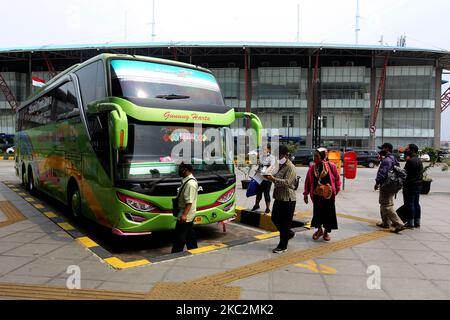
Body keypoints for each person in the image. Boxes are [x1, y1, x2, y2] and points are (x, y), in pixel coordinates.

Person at [303, 147, 341, 241]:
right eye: (314, 156)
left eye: (316, 156)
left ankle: (326, 232)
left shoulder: (331, 166)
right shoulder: (312, 168)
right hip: (317, 196)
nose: (314, 158)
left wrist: (336, 190)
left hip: (328, 196)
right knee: (317, 214)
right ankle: (319, 230)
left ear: (323, 156)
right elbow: (308, 181)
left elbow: (337, 179)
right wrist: (305, 194)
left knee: (329, 214)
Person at [265, 145, 297, 254]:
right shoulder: (280, 165)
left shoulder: (290, 167)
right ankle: (288, 234)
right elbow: (274, 175)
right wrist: (267, 175)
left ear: (285, 155)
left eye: (279, 155)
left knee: (285, 223)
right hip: (279, 197)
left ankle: (283, 246)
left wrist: (273, 179)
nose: (277, 157)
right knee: (275, 218)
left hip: (288, 199)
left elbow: (287, 182)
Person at [374, 142, 405, 233]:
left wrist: (377, 183)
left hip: (386, 185)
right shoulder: (393, 158)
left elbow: (382, 173)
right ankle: (385, 223)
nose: (381, 150)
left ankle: (399, 223)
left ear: (387, 149)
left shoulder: (387, 160)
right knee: (385, 203)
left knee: (386, 205)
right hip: (392, 185)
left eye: (382, 148)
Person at [171, 163, 199, 253]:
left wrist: (184, 215)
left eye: (180, 168)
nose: (178, 170)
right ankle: (194, 249)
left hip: (185, 214)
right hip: (186, 213)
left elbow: (189, 202)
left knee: (180, 236)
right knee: (189, 234)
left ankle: (176, 253)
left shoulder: (190, 184)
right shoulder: (186, 180)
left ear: (185, 170)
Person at [402, 143, 423, 228]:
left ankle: (410, 223)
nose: (406, 150)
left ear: (412, 150)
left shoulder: (410, 161)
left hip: (410, 185)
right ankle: (417, 222)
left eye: (407, 149)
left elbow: (405, 173)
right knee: (416, 203)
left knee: (409, 204)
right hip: (418, 185)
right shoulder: (418, 160)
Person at [252, 144, 275, 213]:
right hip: (259, 178)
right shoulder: (261, 157)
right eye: (263, 149)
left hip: (267, 178)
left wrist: (264, 172)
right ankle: (256, 205)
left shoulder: (272, 157)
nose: (263, 150)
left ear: (269, 149)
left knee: (266, 193)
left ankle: (267, 208)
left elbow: (271, 167)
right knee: (258, 192)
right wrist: (256, 173)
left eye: (265, 149)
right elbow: (260, 166)